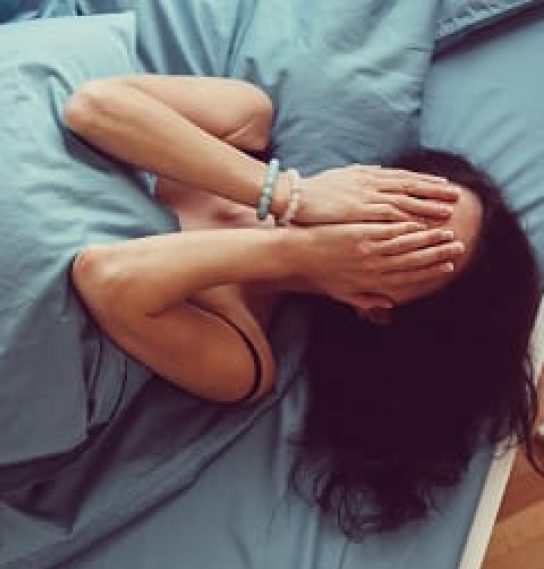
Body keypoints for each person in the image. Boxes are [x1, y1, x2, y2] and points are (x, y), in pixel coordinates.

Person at [62, 75, 541, 535]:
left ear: (377, 307)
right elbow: (92, 107)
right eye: (416, 199)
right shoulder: (243, 119)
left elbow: (104, 277)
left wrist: (300, 251)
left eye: (411, 248)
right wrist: (293, 195)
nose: (392, 219)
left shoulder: (241, 357)